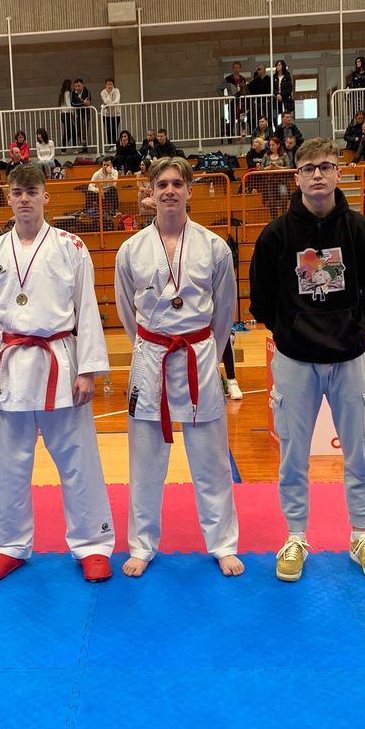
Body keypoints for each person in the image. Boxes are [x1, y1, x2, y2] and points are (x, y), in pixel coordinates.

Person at [0, 163, 115, 583]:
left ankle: (93, 544)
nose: (24, 198)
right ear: (8, 199)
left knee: (79, 459)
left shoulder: (71, 246)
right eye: (17, 192)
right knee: (8, 463)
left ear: (46, 196)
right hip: (9, 366)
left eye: (32, 191)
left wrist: (88, 369)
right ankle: (6, 545)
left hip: (60, 362)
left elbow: (87, 310)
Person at [249, 137, 365, 583]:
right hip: (295, 359)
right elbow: (261, 300)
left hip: (349, 357)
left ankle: (361, 536)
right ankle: (295, 536)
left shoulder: (361, 230)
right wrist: (290, 330)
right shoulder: (275, 235)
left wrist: (354, 327)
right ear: (296, 177)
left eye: (326, 166)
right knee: (293, 456)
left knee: (360, 454)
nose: (317, 174)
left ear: (338, 173)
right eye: (309, 168)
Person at [114, 157, 243, 579]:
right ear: (150, 192)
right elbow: (126, 311)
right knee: (145, 461)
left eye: (176, 183)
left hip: (198, 355)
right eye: (162, 184)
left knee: (211, 461)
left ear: (189, 190)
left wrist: (208, 351)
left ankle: (223, 544)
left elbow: (225, 311)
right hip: (151, 356)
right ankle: (141, 545)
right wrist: (147, 345)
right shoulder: (131, 249)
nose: (169, 190)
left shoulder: (214, 246)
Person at [70, 78, 91, 150]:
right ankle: (82, 145)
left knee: (84, 126)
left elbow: (88, 102)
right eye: (76, 86)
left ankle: (84, 142)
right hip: (77, 114)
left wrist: (80, 103)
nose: (77, 88)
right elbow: (72, 104)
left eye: (79, 86)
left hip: (86, 113)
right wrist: (82, 103)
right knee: (78, 129)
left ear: (82, 85)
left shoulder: (87, 91)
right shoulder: (73, 93)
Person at [100, 78, 121, 149]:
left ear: (113, 84)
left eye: (111, 84)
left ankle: (115, 145)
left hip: (116, 114)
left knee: (114, 129)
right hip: (106, 114)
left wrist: (108, 104)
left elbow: (117, 101)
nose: (109, 86)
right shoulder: (103, 92)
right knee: (108, 130)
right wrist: (109, 94)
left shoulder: (116, 91)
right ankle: (111, 146)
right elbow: (106, 101)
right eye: (108, 84)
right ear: (105, 85)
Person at [58, 80, 73, 148]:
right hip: (67, 114)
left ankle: (63, 148)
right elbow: (68, 104)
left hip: (63, 114)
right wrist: (73, 111)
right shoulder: (67, 93)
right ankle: (63, 148)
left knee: (68, 131)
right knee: (69, 131)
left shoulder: (62, 92)